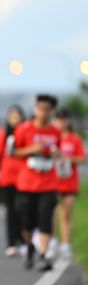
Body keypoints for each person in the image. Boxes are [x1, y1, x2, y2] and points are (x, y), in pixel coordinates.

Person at [13, 95, 61, 271]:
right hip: (27, 183)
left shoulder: (55, 132)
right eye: (39, 108)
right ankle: (29, 246)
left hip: (49, 183)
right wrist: (31, 149)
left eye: (46, 109)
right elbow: (13, 152)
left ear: (51, 111)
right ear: (35, 109)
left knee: (45, 219)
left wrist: (56, 154)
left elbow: (58, 151)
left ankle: (43, 254)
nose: (42, 112)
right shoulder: (24, 129)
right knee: (26, 223)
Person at [0, 105, 25, 256]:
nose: (14, 119)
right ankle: (11, 243)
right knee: (11, 211)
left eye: (17, 116)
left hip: (25, 178)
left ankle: (22, 240)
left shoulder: (26, 133)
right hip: (8, 178)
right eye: (12, 116)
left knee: (22, 210)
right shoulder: (3, 134)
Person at [53, 108, 86, 258]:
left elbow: (81, 159)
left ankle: (65, 244)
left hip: (69, 182)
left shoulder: (74, 139)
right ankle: (52, 240)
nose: (61, 123)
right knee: (52, 213)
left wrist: (67, 158)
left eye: (64, 120)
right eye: (58, 120)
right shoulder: (52, 137)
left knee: (66, 214)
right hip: (52, 182)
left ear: (68, 121)